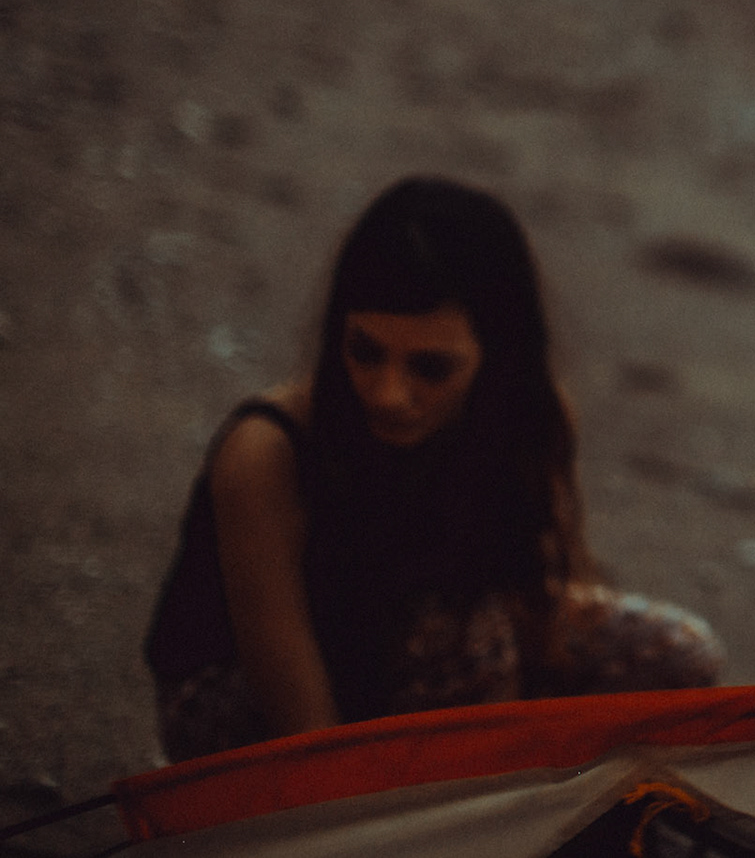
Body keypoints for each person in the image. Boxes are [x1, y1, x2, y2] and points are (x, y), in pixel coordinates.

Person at [146, 177, 722, 762]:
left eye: (431, 368)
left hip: (436, 677)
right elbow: (301, 721)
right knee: (464, 637)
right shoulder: (266, 453)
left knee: (678, 652)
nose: (389, 395)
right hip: (256, 713)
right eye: (365, 352)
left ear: (494, 359)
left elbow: (540, 613)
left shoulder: (524, 421)